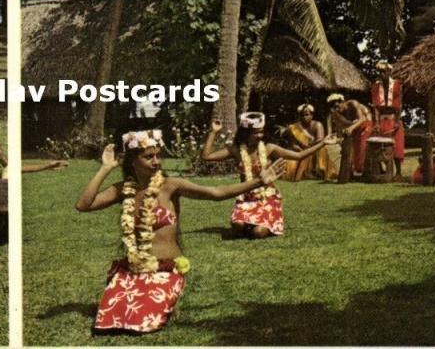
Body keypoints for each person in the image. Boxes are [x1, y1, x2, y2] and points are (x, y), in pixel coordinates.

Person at [75, 130, 287, 334]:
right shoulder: (124, 189)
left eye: (159, 155)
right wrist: (105, 168)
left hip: (165, 271)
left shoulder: (170, 186)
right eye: (149, 157)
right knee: (109, 320)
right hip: (134, 268)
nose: (156, 161)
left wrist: (258, 181)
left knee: (143, 321)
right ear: (132, 160)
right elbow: (83, 205)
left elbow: (215, 193)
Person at [202, 112, 338, 238]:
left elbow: (299, 156)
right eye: (256, 133)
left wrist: (323, 143)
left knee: (259, 233)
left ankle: (258, 225)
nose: (260, 135)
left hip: (267, 198)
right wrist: (213, 132)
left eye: (261, 132)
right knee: (237, 226)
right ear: (246, 133)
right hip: (247, 197)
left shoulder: (269, 148)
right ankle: (246, 224)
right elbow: (206, 156)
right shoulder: (236, 150)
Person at [281, 103, 337, 181]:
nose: (305, 117)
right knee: (290, 163)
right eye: (302, 115)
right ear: (299, 116)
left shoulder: (317, 125)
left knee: (322, 150)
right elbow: (293, 144)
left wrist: (308, 146)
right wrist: (299, 150)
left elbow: (320, 140)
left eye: (307, 115)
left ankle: (318, 172)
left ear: (312, 115)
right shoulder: (295, 128)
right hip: (300, 152)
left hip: (315, 150)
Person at [370, 60, 405, 178]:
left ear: (389, 71)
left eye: (384, 71)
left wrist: (397, 121)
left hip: (393, 119)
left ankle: (398, 172)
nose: (381, 74)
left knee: (397, 145)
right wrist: (376, 123)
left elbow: (399, 105)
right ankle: (382, 171)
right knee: (380, 146)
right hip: (381, 120)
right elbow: (375, 107)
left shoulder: (397, 85)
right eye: (379, 71)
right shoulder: (375, 87)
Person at [327, 94, 373, 177]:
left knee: (362, 147)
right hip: (354, 128)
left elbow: (362, 119)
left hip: (366, 123)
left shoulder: (353, 103)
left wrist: (351, 128)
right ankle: (353, 170)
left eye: (337, 106)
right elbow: (340, 128)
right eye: (334, 107)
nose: (337, 109)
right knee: (350, 149)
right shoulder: (336, 113)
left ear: (342, 102)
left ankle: (363, 170)